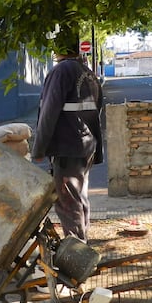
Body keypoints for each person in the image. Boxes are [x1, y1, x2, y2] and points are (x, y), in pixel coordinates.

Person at [32, 50, 104, 243]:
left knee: (68, 204)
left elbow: (49, 110)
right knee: (79, 200)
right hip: (86, 146)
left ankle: (77, 254)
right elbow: (97, 113)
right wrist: (97, 151)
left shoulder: (61, 71)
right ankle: (82, 246)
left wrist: (39, 149)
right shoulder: (88, 73)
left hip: (67, 147)